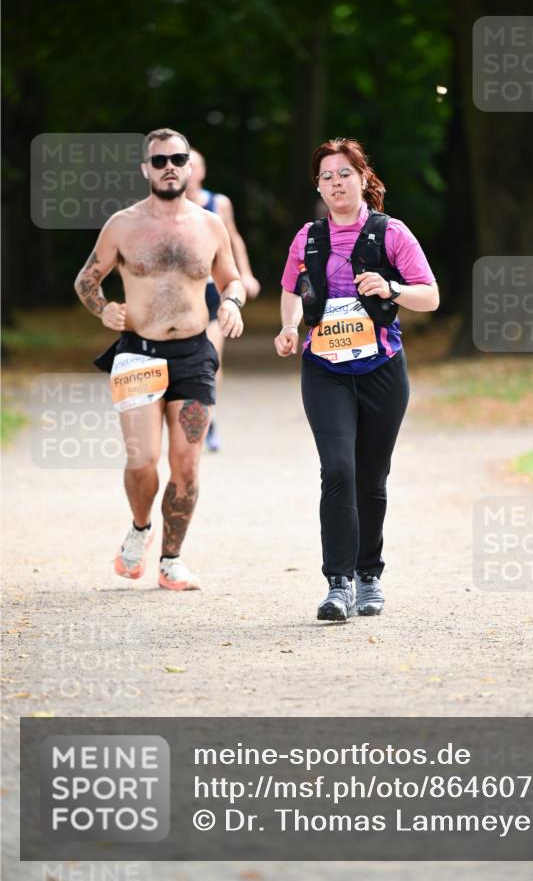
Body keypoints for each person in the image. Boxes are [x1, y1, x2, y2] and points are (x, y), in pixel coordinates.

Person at [275, 138, 439, 621]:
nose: (335, 183)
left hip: (381, 370)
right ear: (318, 187)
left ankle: (369, 576)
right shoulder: (308, 237)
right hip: (324, 370)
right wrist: (288, 327)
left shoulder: (392, 234)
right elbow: (289, 289)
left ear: (363, 178)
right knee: (338, 471)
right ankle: (338, 583)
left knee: (371, 477)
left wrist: (392, 287)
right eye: (326, 176)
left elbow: (429, 296)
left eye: (344, 173)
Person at [74, 128, 245, 591]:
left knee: (187, 466)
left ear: (190, 166)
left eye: (178, 158)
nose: (169, 166)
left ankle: (171, 559)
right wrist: (103, 307)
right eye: (159, 160)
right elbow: (86, 280)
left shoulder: (209, 225)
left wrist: (231, 303)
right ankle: (140, 528)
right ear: (145, 169)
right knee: (142, 459)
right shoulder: (122, 225)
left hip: (193, 355)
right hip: (138, 355)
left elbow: (231, 279)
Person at [186, 149, 260, 451]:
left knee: (210, 361)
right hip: (179, 296)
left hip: (211, 290)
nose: (186, 170)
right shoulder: (165, 207)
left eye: (192, 164)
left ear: (202, 171)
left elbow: (234, 238)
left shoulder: (219, 203)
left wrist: (245, 275)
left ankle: (207, 419)